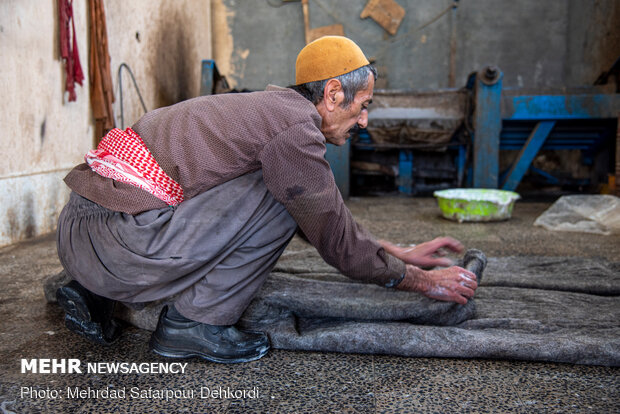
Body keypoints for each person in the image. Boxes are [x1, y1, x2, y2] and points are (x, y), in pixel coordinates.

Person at [55, 36, 478, 363]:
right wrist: (421, 281)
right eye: (363, 105)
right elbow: (332, 235)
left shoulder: (270, 110)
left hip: (81, 238)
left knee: (289, 190)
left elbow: (323, 221)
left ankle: (94, 293)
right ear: (333, 94)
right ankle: (195, 325)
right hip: (113, 247)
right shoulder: (293, 130)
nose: (364, 120)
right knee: (279, 194)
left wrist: (395, 253)